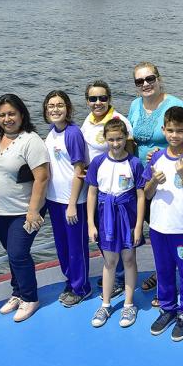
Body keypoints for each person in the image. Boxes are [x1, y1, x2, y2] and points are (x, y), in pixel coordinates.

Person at [0, 94, 50, 323]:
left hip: (24, 209)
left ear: (22, 114)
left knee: (18, 253)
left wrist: (33, 211)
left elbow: (41, 178)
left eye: (12, 113)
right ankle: (17, 292)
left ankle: (30, 297)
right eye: (2, 114)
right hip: (0, 211)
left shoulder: (31, 141)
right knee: (12, 254)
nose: (7, 118)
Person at [142, 106, 183, 341]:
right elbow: (146, 194)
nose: (174, 135)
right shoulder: (156, 157)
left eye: (179, 131)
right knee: (163, 269)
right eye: (170, 130)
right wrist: (153, 183)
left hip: (182, 228)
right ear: (163, 130)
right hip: (158, 227)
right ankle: (167, 308)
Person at [128, 62, 183, 294]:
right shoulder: (135, 105)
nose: (145, 84)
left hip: (167, 180)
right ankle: (162, 270)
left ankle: (171, 276)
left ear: (159, 79)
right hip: (143, 180)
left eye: (149, 79)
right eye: (140, 81)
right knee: (152, 227)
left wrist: (165, 155)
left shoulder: (174, 105)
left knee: (168, 229)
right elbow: (129, 140)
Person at [86, 119, 147, 328]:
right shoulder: (97, 163)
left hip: (126, 215)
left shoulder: (134, 164)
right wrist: (91, 224)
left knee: (129, 258)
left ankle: (129, 304)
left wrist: (138, 225)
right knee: (109, 261)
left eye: (119, 138)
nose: (115, 143)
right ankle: (105, 304)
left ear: (125, 138)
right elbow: (92, 192)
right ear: (105, 139)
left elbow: (140, 196)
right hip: (105, 217)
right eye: (111, 139)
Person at [81, 80, 132, 299]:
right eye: (93, 99)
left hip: (118, 189)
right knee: (104, 235)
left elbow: (129, 155)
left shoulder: (120, 121)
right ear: (87, 101)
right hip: (97, 186)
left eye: (102, 98)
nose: (98, 102)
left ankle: (119, 277)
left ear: (109, 99)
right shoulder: (88, 122)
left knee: (121, 236)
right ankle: (113, 269)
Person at [42, 90, 91, 308]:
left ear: (68, 109)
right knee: (62, 245)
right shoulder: (50, 134)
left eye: (60, 105)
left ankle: (82, 287)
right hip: (54, 200)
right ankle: (70, 281)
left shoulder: (72, 133)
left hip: (72, 202)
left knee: (76, 246)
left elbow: (78, 170)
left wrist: (72, 203)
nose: (55, 109)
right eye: (51, 106)